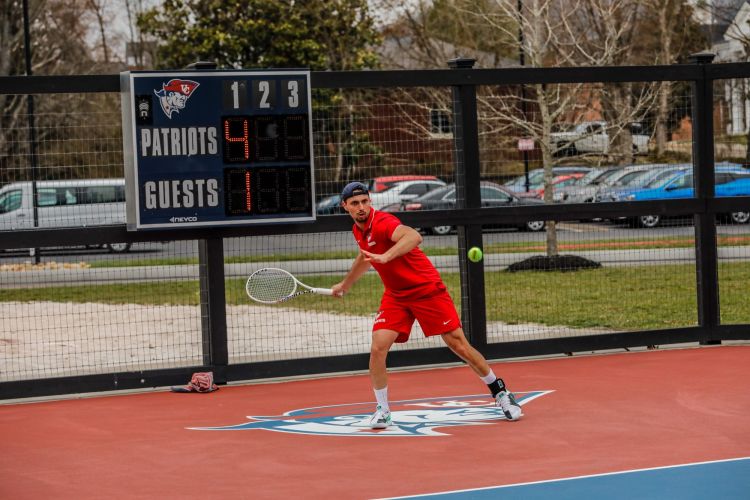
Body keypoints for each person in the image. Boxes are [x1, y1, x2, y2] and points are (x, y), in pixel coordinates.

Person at [331, 181, 523, 429]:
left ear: (370, 202)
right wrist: (345, 284)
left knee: (457, 344)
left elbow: (414, 236)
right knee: (378, 348)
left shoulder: (382, 222)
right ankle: (383, 410)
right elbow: (364, 256)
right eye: (355, 203)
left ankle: (501, 393)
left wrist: (388, 256)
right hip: (397, 296)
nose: (361, 207)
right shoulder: (358, 230)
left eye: (365, 201)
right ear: (344, 206)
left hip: (426, 289)